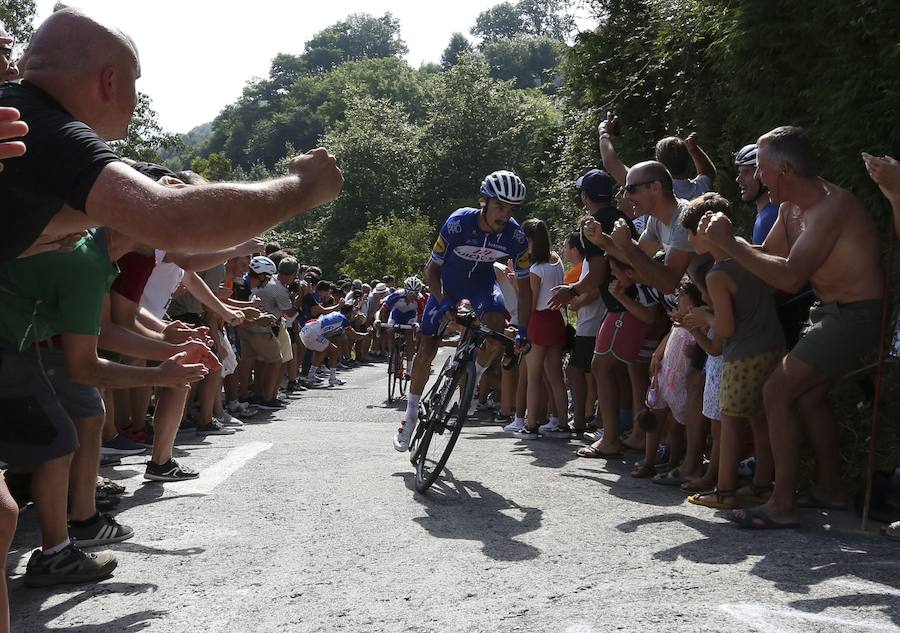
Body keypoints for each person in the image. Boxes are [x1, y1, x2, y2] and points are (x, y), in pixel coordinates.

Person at [1, 9, 343, 265]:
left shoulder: (25, 120)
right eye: (136, 81)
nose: (135, 101)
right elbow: (175, 222)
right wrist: (304, 188)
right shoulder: (47, 128)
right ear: (110, 82)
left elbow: (53, 217)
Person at [700, 126, 884, 528]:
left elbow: (788, 277)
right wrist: (722, 248)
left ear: (784, 169)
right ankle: (831, 489)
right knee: (808, 396)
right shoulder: (789, 208)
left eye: (762, 169)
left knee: (778, 389)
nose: (757, 177)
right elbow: (767, 259)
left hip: (859, 313)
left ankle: (782, 503)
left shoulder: (829, 207)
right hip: (830, 309)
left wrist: (730, 245)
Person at [394, 170, 533, 450]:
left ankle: (472, 380)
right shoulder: (458, 223)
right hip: (449, 286)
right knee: (428, 346)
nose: (504, 215)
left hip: (482, 287)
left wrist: (524, 330)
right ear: (484, 200)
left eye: (511, 209)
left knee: (495, 322)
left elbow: (526, 288)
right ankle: (409, 416)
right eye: (500, 206)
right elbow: (432, 268)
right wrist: (444, 299)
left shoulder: (515, 237)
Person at [682, 193, 783, 511]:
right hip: (772, 344)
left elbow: (725, 328)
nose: (689, 237)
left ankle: (724, 491)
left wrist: (703, 318)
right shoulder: (744, 251)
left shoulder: (716, 275)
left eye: (694, 229)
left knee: (730, 423)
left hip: (743, 355)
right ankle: (762, 485)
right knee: (759, 420)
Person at [517, 218, 568, 438]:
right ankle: (563, 424)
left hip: (538, 320)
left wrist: (523, 327)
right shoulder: (557, 260)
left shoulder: (536, 268)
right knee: (556, 377)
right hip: (556, 319)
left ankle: (530, 425)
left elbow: (532, 299)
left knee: (534, 377)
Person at [597, 111, 716, 200]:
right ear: (688, 162)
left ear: (659, 165)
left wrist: (603, 133)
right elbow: (708, 172)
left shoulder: (652, 189)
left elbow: (611, 163)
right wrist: (694, 149)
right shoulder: (701, 188)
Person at [299, 303, 369, 387]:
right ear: (349, 313)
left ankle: (311, 375)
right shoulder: (343, 320)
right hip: (313, 332)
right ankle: (332, 379)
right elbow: (354, 336)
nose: (354, 315)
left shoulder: (336, 314)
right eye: (353, 313)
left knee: (322, 350)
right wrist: (367, 334)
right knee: (334, 351)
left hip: (306, 329)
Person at [378, 276, 424, 378]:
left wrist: (418, 326)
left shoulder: (420, 299)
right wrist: (378, 321)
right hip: (397, 314)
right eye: (410, 293)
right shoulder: (397, 295)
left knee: (410, 336)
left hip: (410, 316)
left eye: (415, 294)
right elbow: (382, 310)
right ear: (405, 290)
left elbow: (421, 316)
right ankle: (392, 356)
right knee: (390, 330)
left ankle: (409, 367)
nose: (413, 296)